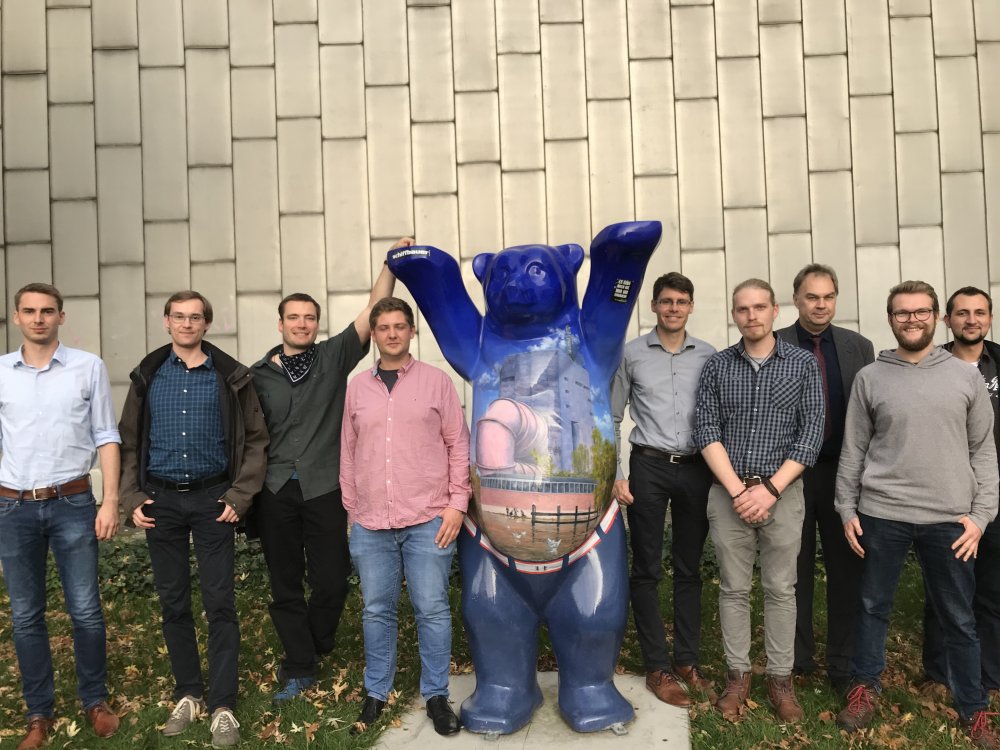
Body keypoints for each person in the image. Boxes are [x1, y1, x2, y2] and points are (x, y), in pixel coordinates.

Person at [834, 281, 999, 748]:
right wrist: (847, 507)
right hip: (881, 513)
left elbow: (983, 453)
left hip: (950, 518)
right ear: (890, 319)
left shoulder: (965, 378)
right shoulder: (871, 377)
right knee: (871, 607)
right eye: (902, 313)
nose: (912, 320)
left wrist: (981, 516)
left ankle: (973, 708)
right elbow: (854, 450)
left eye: (922, 312)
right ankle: (864, 688)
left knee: (959, 618)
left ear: (937, 318)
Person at [250, 247, 400, 703]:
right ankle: (300, 665)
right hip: (274, 490)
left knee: (332, 579)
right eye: (293, 318)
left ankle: (315, 642)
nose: (301, 324)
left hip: (324, 487)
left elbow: (375, 310)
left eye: (309, 318)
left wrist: (391, 264)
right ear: (280, 324)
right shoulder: (255, 376)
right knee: (285, 579)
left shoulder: (333, 357)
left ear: (316, 324)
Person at [119, 291, 268, 747]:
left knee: (220, 603)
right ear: (166, 322)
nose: (187, 324)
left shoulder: (230, 378)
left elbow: (257, 440)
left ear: (207, 324)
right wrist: (130, 497)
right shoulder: (148, 376)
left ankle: (222, 704)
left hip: (213, 501)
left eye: (195, 317)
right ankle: (188, 693)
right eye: (179, 317)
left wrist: (239, 496)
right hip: (160, 502)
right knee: (174, 603)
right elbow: (127, 441)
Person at [694, 278, 824, 723]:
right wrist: (738, 491)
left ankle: (781, 681)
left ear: (776, 311)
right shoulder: (716, 367)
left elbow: (811, 436)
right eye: (743, 309)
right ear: (735, 314)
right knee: (732, 588)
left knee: (780, 589)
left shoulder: (803, 366)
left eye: (760, 308)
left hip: (783, 494)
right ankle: (737, 675)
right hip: (728, 493)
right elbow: (706, 431)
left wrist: (768, 490)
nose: (752, 316)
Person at [341, 297, 470, 737]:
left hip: (428, 517)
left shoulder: (437, 383)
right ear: (374, 335)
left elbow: (458, 443)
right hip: (371, 521)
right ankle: (376, 693)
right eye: (384, 327)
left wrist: (457, 504)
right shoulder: (357, 388)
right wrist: (352, 511)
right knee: (377, 611)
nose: (392, 333)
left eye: (400, 326)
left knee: (432, 609)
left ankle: (435, 695)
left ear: (412, 332)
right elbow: (348, 450)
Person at [0, 283, 122, 750]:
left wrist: (109, 501)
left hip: (72, 502)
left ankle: (94, 700)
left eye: (47, 311)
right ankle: (39, 713)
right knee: (26, 615)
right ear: (16, 317)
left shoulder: (87, 367)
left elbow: (107, 435)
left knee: (86, 610)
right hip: (13, 506)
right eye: (29, 311)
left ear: (61, 317)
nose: (38, 319)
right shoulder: (4, 374)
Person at [611, 272, 716, 707]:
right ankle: (657, 664)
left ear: (691, 307)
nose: (674, 308)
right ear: (654, 305)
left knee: (690, 568)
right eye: (666, 301)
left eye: (682, 301)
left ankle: (687, 660)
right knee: (647, 568)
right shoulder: (631, 354)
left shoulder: (710, 356)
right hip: (648, 466)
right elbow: (613, 416)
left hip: (696, 468)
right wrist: (617, 474)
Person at [776, 264, 874, 692]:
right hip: (790, 474)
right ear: (796, 299)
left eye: (828, 297)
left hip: (843, 472)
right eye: (812, 297)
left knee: (846, 568)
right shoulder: (774, 343)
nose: (821, 304)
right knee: (792, 569)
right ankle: (797, 660)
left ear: (836, 299)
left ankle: (843, 663)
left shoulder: (858, 347)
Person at [922, 287, 1000, 698]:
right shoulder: (929, 364)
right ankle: (938, 673)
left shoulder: (999, 363)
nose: (972, 319)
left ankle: (990, 675)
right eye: (962, 313)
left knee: (991, 589)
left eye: (980, 312)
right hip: (946, 496)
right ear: (946, 320)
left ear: (989, 318)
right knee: (944, 589)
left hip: (995, 495)